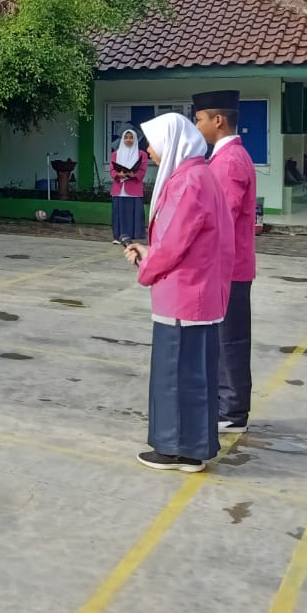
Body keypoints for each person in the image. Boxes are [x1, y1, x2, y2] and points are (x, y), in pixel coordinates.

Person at [123, 112, 232, 473]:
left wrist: (146, 267)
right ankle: (193, 449)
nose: (148, 151)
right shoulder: (202, 176)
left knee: (173, 374)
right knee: (196, 375)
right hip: (198, 292)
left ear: (171, 142)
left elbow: (171, 245)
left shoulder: (187, 182)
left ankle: (172, 448)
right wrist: (148, 252)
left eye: (152, 143)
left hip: (183, 294)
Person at [193, 90, 258, 434]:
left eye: (200, 119)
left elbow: (223, 217)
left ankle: (233, 411)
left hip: (229, 267)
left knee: (230, 338)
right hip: (228, 265)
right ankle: (229, 405)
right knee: (226, 337)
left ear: (217, 120)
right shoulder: (226, 157)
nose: (197, 125)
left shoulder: (229, 161)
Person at [110, 126, 147, 246]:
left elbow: (142, 171)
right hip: (119, 189)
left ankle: (134, 236)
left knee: (134, 213)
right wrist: (118, 174)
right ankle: (118, 236)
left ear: (135, 139)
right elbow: (111, 170)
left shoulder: (141, 154)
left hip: (134, 188)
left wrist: (133, 174)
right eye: (126, 137)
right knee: (119, 213)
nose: (128, 140)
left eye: (131, 137)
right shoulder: (116, 154)